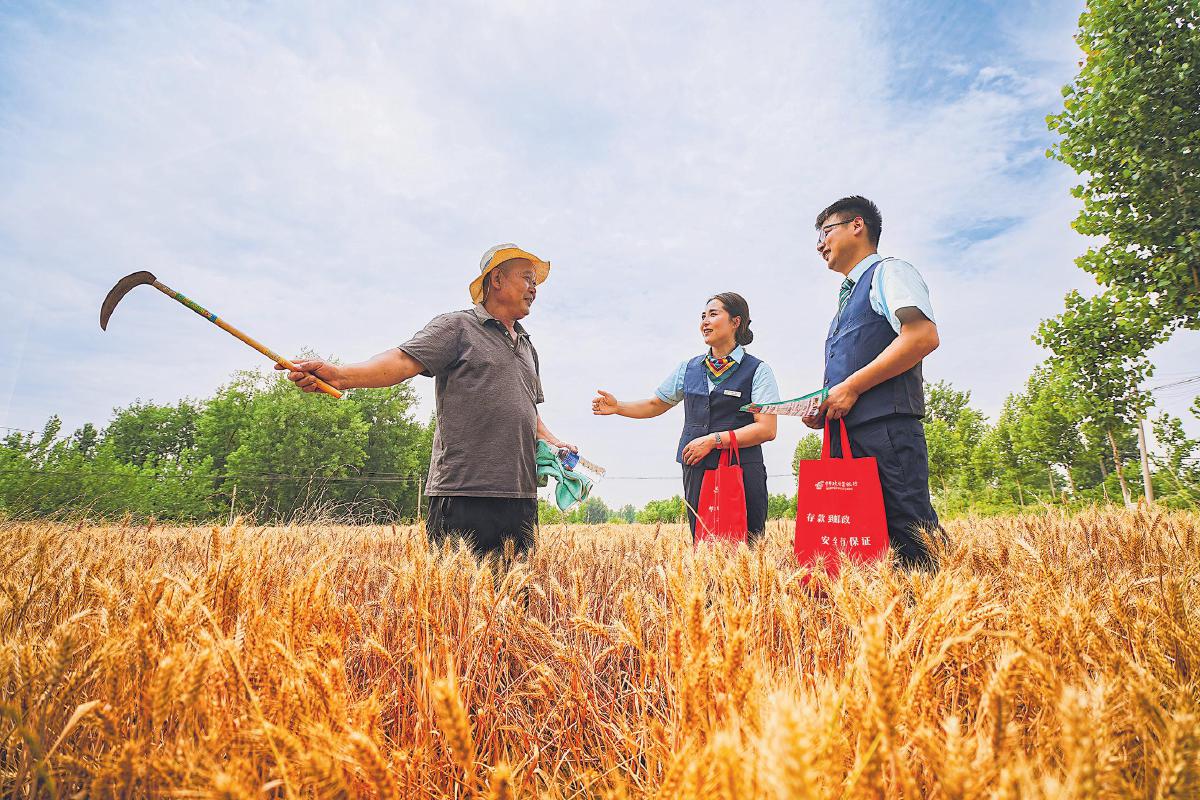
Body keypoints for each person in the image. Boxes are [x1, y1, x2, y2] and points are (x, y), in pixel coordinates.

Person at [279, 243, 576, 560]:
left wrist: (554, 442)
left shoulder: (528, 347)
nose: (534, 288)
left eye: (535, 282)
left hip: (520, 497)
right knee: (456, 590)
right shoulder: (457, 328)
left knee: (517, 590)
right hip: (464, 495)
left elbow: (527, 409)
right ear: (497, 279)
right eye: (527, 278)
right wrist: (340, 376)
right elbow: (401, 361)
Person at [803, 196, 942, 570]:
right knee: (859, 548)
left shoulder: (889, 273)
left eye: (826, 232)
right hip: (846, 436)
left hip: (887, 430)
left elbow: (921, 336)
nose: (820, 244)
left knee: (909, 535)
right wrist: (824, 406)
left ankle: (930, 607)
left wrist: (851, 388)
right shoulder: (844, 301)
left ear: (857, 226)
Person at [592, 293, 779, 543]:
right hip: (697, 468)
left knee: (748, 545)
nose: (705, 322)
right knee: (702, 546)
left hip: (742, 469)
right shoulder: (688, 369)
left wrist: (713, 440)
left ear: (736, 322)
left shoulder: (758, 371)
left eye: (713, 314)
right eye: (703, 316)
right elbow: (655, 404)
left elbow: (767, 428)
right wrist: (618, 407)